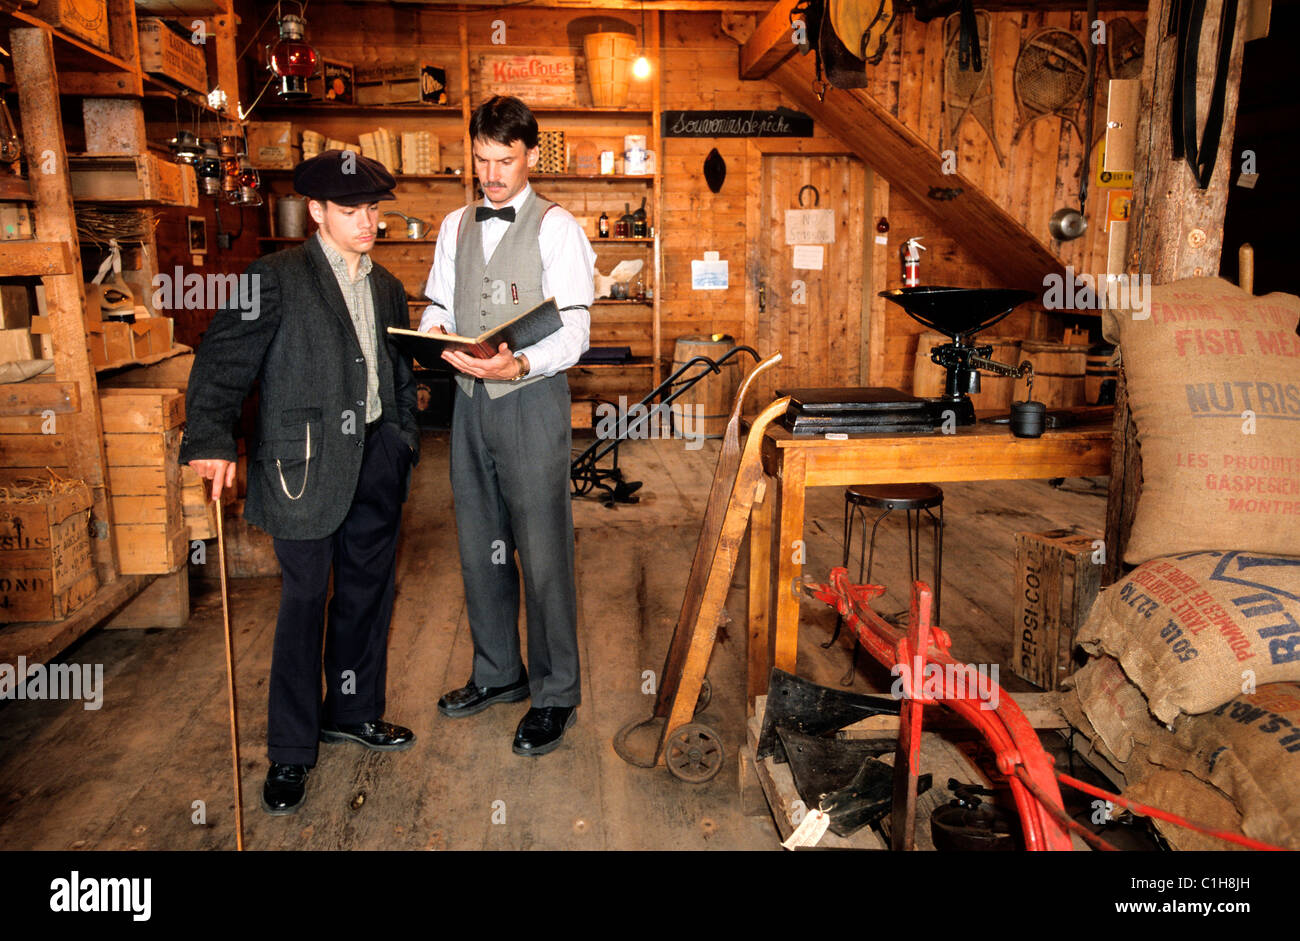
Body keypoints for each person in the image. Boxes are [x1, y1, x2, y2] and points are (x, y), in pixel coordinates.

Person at [180, 150, 421, 815]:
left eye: (374, 209)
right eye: (351, 211)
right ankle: (290, 748)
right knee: (305, 600)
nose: (367, 222)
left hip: (375, 455)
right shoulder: (276, 276)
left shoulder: (387, 287)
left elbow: (398, 374)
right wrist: (209, 436)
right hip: (302, 467)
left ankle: (351, 709)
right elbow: (224, 358)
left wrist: (400, 438)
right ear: (315, 211)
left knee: (367, 594)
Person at [420, 95, 594, 756]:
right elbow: (439, 299)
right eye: (482, 159)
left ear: (530, 155)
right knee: (478, 544)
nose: (490, 174)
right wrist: (436, 334)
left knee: (543, 552)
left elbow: (576, 329)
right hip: (467, 404)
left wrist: (520, 360)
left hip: (531, 400)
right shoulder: (453, 225)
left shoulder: (557, 227)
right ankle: (498, 674)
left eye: (504, 160)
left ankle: (556, 693)